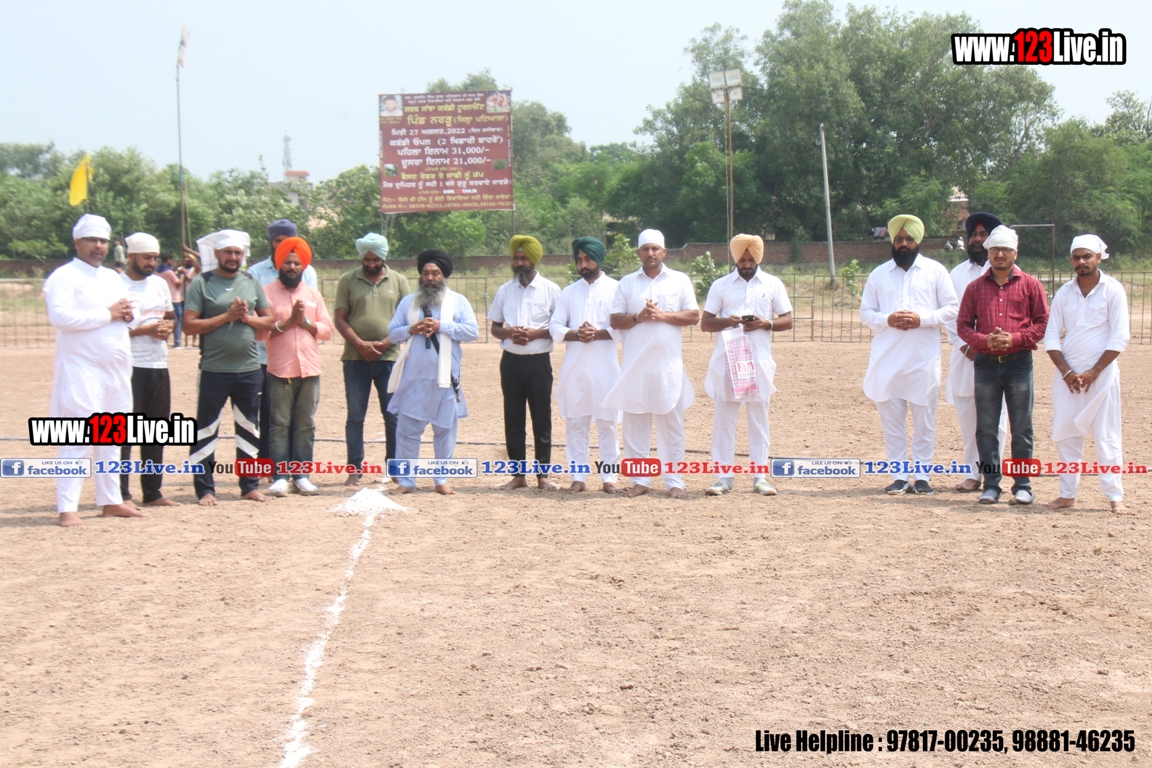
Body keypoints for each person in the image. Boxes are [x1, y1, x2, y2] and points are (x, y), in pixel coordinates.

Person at [43, 214, 143, 527]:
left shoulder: (113, 277)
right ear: (77, 243)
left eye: (102, 241)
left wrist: (129, 314)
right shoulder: (64, 276)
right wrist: (107, 313)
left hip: (115, 370)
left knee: (111, 438)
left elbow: (132, 315)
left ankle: (111, 500)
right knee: (78, 437)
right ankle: (67, 507)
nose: (98, 246)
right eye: (92, 240)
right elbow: (60, 317)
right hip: (81, 369)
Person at [860, 215, 959, 496]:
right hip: (887, 360)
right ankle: (900, 476)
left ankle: (923, 476)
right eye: (899, 239)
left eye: (909, 239)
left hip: (922, 360)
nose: (903, 244)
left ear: (918, 241)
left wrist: (921, 319)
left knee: (924, 422)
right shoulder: (879, 274)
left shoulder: (935, 271)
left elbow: (952, 308)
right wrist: (887, 319)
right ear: (892, 241)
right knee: (892, 424)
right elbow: (865, 313)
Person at [957, 225, 1049, 505]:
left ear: (1015, 253)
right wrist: (985, 341)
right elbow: (963, 325)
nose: (1000, 254)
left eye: (1006, 250)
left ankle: (1022, 485)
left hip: (1019, 363)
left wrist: (1014, 339)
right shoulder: (975, 288)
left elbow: (1042, 323)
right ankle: (991, 484)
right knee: (986, 427)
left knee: (1022, 426)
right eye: (995, 249)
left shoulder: (1031, 285)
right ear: (988, 252)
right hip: (986, 364)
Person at [605, 229, 700, 499]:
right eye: (645, 249)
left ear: (664, 252)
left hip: (668, 367)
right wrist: (639, 317)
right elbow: (615, 320)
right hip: (636, 367)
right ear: (638, 252)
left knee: (672, 427)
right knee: (635, 425)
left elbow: (693, 316)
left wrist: (662, 315)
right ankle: (640, 480)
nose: (650, 253)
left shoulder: (679, 280)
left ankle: (674, 481)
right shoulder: (626, 283)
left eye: (655, 249)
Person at [183, 230, 276, 505]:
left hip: (249, 368)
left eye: (237, 252)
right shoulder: (202, 283)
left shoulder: (250, 281)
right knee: (206, 428)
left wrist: (246, 319)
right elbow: (189, 326)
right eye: (228, 252)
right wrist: (227, 316)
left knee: (249, 427)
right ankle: (205, 489)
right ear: (217, 254)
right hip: (214, 369)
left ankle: (249, 486)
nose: (233, 257)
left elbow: (269, 321)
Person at [700, 234, 794, 496]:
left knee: (758, 421)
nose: (747, 264)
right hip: (728, 361)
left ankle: (760, 478)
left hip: (758, 362)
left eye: (751, 259)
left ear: (758, 258)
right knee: (724, 421)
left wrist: (766, 323)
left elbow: (788, 320)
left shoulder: (772, 284)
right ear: (735, 259)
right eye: (742, 260)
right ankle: (723, 478)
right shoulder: (721, 285)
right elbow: (705, 323)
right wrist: (728, 322)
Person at [1044, 235, 1131, 514]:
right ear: (1071, 260)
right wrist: (1067, 372)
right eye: (1076, 257)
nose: (1081, 262)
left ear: (1098, 257)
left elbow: (1120, 336)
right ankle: (1067, 495)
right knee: (1067, 435)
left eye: (1086, 256)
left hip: (1102, 376)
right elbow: (1051, 337)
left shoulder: (1113, 290)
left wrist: (1094, 372)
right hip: (1068, 379)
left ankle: (1115, 497)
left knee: (1107, 435)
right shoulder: (1064, 293)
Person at [386, 249, 478, 495]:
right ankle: (406, 481)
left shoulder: (458, 301)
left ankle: (441, 480)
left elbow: (472, 331)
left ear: (443, 275)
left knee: (445, 431)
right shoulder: (408, 302)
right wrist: (412, 328)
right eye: (425, 273)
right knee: (407, 432)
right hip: (414, 379)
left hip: (445, 379)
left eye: (435, 273)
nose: (430, 278)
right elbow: (392, 333)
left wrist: (441, 326)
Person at [335, 233, 411, 485]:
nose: (370, 264)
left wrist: (385, 343)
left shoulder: (399, 281)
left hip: (390, 359)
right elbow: (340, 318)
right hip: (355, 359)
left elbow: (407, 320)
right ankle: (354, 468)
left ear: (383, 257)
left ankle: (394, 468)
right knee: (355, 416)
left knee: (393, 416)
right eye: (366, 259)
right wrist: (359, 344)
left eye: (375, 259)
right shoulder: (347, 280)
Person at [549, 237, 623, 494]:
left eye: (588, 259)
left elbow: (622, 327)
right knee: (576, 424)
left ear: (599, 259)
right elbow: (555, 326)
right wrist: (576, 334)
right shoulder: (569, 292)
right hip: (575, 370)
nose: (583, 264)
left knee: (607, 424)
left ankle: (609, 478)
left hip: (605, 370)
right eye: (579, 260)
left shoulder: (616, 289)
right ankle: (578, 477)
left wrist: (597, 333)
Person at [489, 235, 562, 490]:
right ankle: (518, 475)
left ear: (534, 260)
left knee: (542, 418)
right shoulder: (504, 290)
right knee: (513, 417)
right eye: (516, 258)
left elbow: (559, 328)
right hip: (511, 362)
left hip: (539, 362)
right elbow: (495, 328)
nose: (520, 263)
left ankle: (543, 476)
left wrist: (535, 334)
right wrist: (510, 332)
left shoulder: (551, 290)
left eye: (524, 258)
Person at [263, 237, 333, 497]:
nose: (292, 267)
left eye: (296, 263)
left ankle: (302, 476)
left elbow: (327, 330)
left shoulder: (313, 295)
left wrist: (304, 322)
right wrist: (287, 322)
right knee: (280, 425)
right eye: (287, 262)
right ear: (279, 264)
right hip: (280, 369)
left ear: (303, 266)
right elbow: (262, 331)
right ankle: (280, 477)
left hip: (310, 369)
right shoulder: (267, 293)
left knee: (305, 425)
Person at [945, 213, 1008, 492]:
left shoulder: (1010, 272)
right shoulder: (957, 274)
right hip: (966, 355)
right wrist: (967, 347)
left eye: (984, 235)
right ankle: (973, 474)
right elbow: (950, 315)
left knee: (998, 421)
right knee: (969, 417)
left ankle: (992, 475)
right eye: (974, 235)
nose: (978, 239)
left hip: (1000, 357)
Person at [247, 219, 318, 462]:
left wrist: (299, 321)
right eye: (278, 241)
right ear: (271, 243)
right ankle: (268, 464)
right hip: (264, 355)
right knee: (270, 414)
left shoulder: (308, 272)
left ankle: (294, 466)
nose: (283, 246)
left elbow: (312, 309)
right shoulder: (256, 272)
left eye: (288, 241)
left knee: (300, 416)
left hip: (300, 357)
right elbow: (256, 316)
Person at [119, 233, 178, 507]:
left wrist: (167, 328)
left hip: (158, 364)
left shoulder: (159, 284)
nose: (151, 262)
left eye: (154, 257)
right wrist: (145, 330)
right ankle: (121, 494)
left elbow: (170, 317)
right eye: (146, 257)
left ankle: (153, 492)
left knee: (155, 432)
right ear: (131, 256)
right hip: (129, 366)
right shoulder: (116, 285)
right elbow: (111, 327)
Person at [157, 253, 185, 348]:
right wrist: (183, 275)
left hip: (164, 299)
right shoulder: (169, 272)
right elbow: (178, 284)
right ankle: (177, 342)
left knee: (165, 321)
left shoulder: (159, 271)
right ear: (168, 260)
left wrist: (181, 262)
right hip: (174, 298)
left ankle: (164, 341)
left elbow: (172, 271)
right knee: (177, 321)